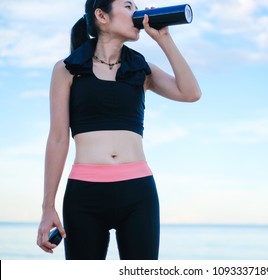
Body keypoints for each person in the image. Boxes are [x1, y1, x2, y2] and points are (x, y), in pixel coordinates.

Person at [36, 0, 201, 260]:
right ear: (102, 15)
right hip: (85, 194)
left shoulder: (141, 69)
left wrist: (165, 39)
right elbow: (57, 139)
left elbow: (191, 93)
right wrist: (48, 208)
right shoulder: (68, 70)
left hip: (137, 193)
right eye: (128, 6)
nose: (138, 13)